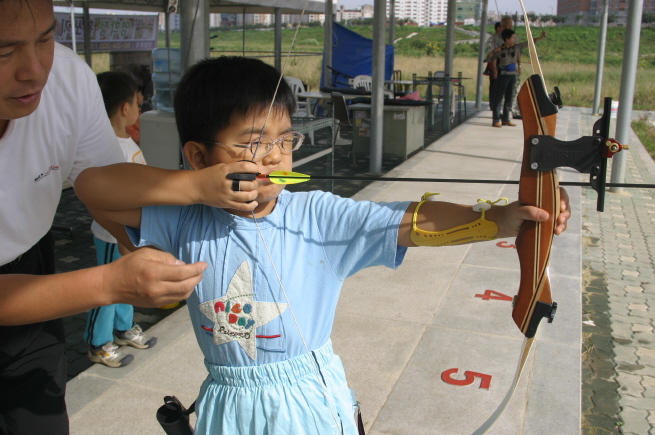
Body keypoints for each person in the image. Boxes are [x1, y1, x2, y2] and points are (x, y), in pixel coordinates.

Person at [75, 56, 571, 435]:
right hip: (228, 408)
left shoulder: (316, 215)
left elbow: (408, 222)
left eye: (284, 140)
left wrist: (499, 219)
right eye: (254, 143)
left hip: (310, 405)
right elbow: (92, 188)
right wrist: (194, 187)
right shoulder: (184, 217)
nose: (274, 156)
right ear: (199, 156)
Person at [0, 1, 206, 433]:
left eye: (46, 38)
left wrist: (186, 213)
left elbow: (104, 186)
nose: (34, 71)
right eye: (4, 51)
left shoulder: (67, 78)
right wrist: (111, 283)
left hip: (33, 266)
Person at [84, 72, 157, 368]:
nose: (140, 109)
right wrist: (120, 233)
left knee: (126, 281)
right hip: (111, 233)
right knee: (106, 286)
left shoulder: (127, 141)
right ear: (125, 108)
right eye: (138, 104)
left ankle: (123, 328)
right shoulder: (106, 148)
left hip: (131, 231)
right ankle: (98, 343)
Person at [486, 28, 546, 128]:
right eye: (513, 38)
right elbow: (488, 58)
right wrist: (494, 52)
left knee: (509, 97)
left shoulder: (516, 47)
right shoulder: (500, 50)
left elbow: (529, 43)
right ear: (507, 39)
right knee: (499, 97)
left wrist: (541, 37)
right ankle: (496, 120)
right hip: (503, 75)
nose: (514, 39)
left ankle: (506, 119)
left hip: (512, 75)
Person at [484, 21, 502, 111]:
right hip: (493, 66)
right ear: (498, 28)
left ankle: (497, 104)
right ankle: (493, 104)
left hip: (501, 65)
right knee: (494, 85)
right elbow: (490, 55)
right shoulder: (492, 39)